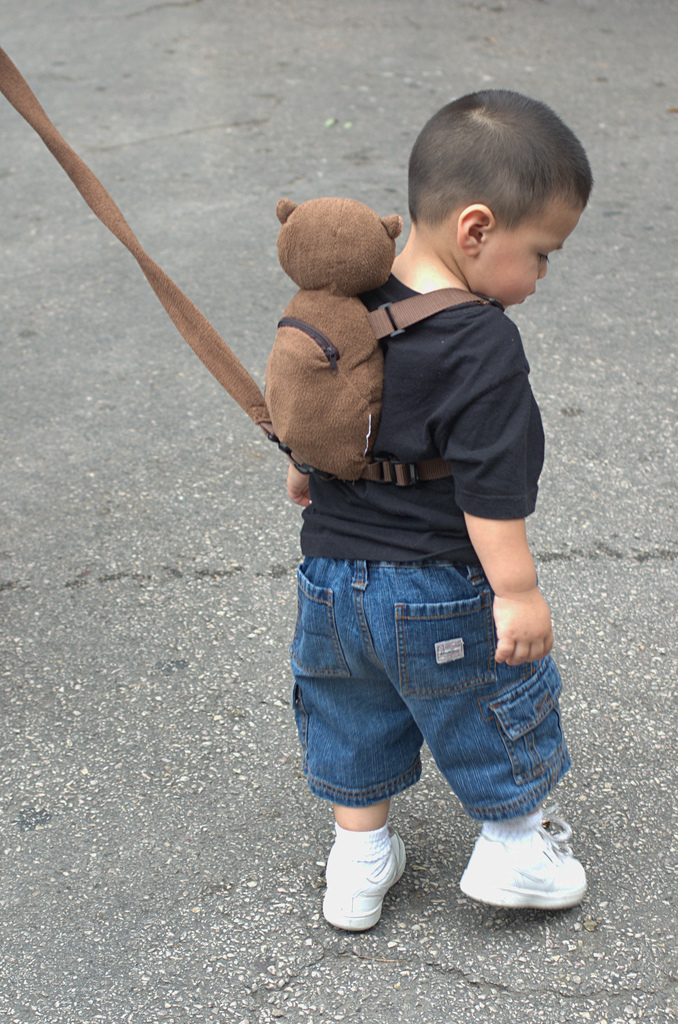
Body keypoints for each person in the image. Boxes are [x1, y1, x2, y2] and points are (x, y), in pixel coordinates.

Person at [285, 89, 593, 931]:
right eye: (542, 254)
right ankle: (516, 848)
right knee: (487, 704)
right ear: (476, 230)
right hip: (434, 589)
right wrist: (518, 592)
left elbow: (316, 408)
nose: (540, 276)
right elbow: (490, 489)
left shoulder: (349, 299)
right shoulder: (482, 341)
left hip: (329, 584)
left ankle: (358, 865)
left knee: (353, 713)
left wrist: (306, 471)